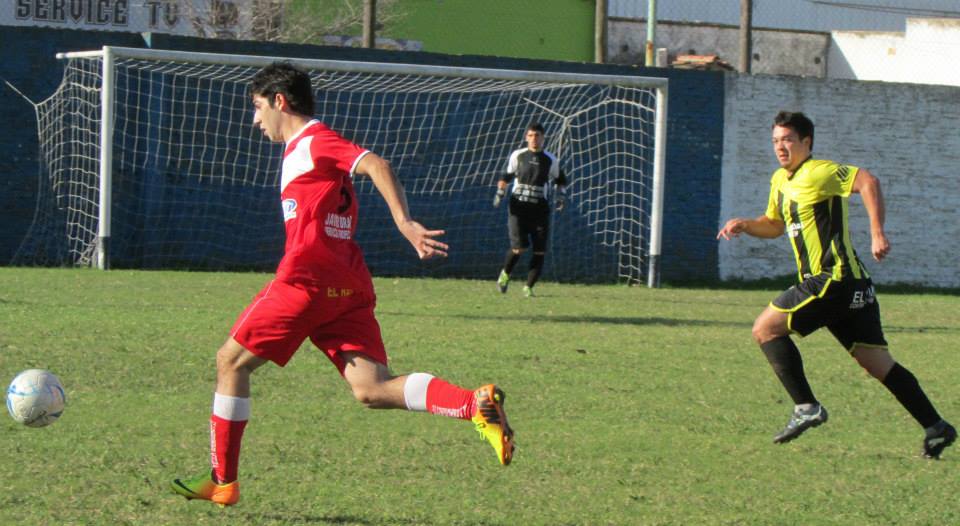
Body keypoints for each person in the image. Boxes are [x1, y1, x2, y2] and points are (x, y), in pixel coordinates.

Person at [171, 63, 515, 507]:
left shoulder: (313, 140)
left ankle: (222, 481)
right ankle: (474, 404)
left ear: (280, 101)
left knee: (230, 362)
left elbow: (376, 163)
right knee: (372, 388)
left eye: (257, 107)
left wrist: (405, 223)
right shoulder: (306, 147)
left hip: (307, 279)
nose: (254, 120)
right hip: (346, 282)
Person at [717, 111, 955, 458]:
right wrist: (745, 225)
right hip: (853, 286)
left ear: (806, 142)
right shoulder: (780, 181)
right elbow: (773, 224)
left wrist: (877, 233)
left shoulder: (821, 171)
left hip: (833, 278)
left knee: (765, 329)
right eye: (775, 141)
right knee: (876, 362)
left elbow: (868, 182)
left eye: (787, 140)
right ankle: (936, 427)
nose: (780, 147)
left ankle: (806, 407)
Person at [493, 122, 568, 298]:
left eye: (538, 136)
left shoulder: (550, 159)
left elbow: (561, 180)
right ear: (526, 137)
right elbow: (506, 176)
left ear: (543, 138)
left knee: (539, 250)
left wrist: (561, 196)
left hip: (539, 210)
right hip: (518, 209)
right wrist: (500, 191)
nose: (534, 139)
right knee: (519, 249)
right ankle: (504, 275)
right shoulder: (518, 156)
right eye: (531, 135)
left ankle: (528, 287)